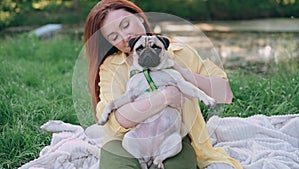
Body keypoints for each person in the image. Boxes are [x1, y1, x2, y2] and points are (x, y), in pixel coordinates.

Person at [84, 0, 242, 169]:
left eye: (126, 24)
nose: (125, 36)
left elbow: (225, 94)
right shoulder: (111, 67)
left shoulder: (180, 51)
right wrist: (165, 97)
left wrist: (180, 72)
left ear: (140, 19)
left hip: (172, 136)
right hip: (124, 139)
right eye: (114, 37)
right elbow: (117, 120)